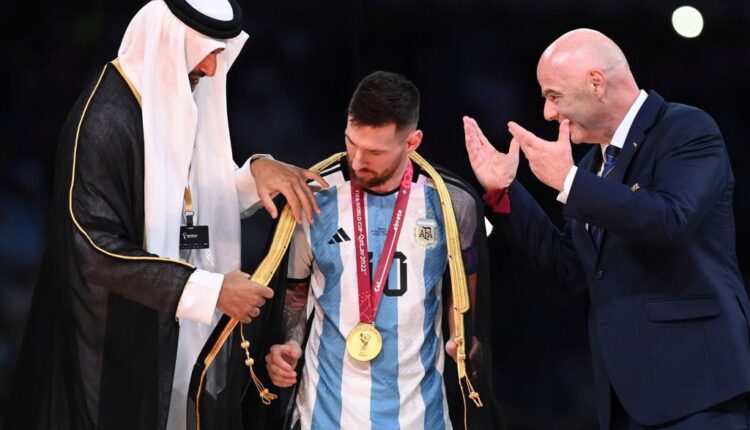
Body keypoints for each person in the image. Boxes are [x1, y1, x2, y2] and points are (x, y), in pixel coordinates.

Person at [5, 1, 328, 429]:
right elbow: (94, 249)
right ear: (172, 41)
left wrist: (254, 175)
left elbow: (183, 202)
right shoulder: (105, 120)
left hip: (179, 334)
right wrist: (208, 291)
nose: (211, 69)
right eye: (206, 52)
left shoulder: (175, 95)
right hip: (113, 352)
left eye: (219, 53)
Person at [464, 28, 750, 429]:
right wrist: (505, 191)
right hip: (626, 400)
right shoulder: (593, 166)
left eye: (554, 96)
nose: (547, 113)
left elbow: (670, 220)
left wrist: (568, 181)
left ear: (596, 83)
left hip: (699, 391)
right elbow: (571, 268)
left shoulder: (686, 129)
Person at [259, 71, 505, 429]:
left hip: (421, 416)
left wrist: (460, 336)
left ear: (412, 142)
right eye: (351, 143)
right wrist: (287, 344)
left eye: (374, 152)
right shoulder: (313, 198)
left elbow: (464, 287)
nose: (358, 160)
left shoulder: (452, 202)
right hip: (324, 415)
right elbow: (294, 291)